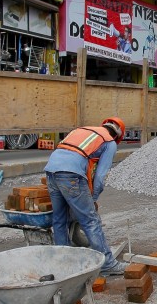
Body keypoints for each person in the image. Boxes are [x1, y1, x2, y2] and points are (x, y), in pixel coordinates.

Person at [44, 117, 128, 275]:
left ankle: (64, 264)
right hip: (71, 175)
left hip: (50, 171)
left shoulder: (83, 131)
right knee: (90, 220)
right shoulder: (109, 142)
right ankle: (108, 265)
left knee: (59, 219)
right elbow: (101, 177)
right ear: (118, 136)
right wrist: (93, 199)